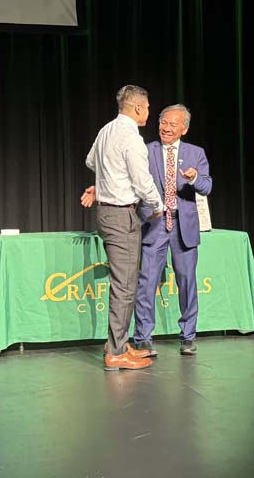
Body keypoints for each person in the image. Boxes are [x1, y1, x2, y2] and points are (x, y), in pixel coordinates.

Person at [82, 85, 165, 372]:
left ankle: (117, 343)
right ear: (138, 108)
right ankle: (116, 353)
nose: (149, 112)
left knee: (124, 282)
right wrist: (157, 205)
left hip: (107, 212)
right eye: (148, 107)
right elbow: (143, 181)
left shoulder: (106, 130)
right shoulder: (131, 138)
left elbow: (91, 161)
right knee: (125, 285)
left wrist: (108, 180)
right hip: (121, 215)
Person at [131, 104, 212, 357]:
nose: (166, 128)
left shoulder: (195, 153)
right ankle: (143, 338)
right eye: (163, 122)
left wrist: (193, 178)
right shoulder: (146, 151)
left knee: (186, 282)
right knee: (147, 283)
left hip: (182, 226)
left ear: (184, 129)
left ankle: (188, 336)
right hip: (154, 224)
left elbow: (206, 186)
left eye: (172, 124)